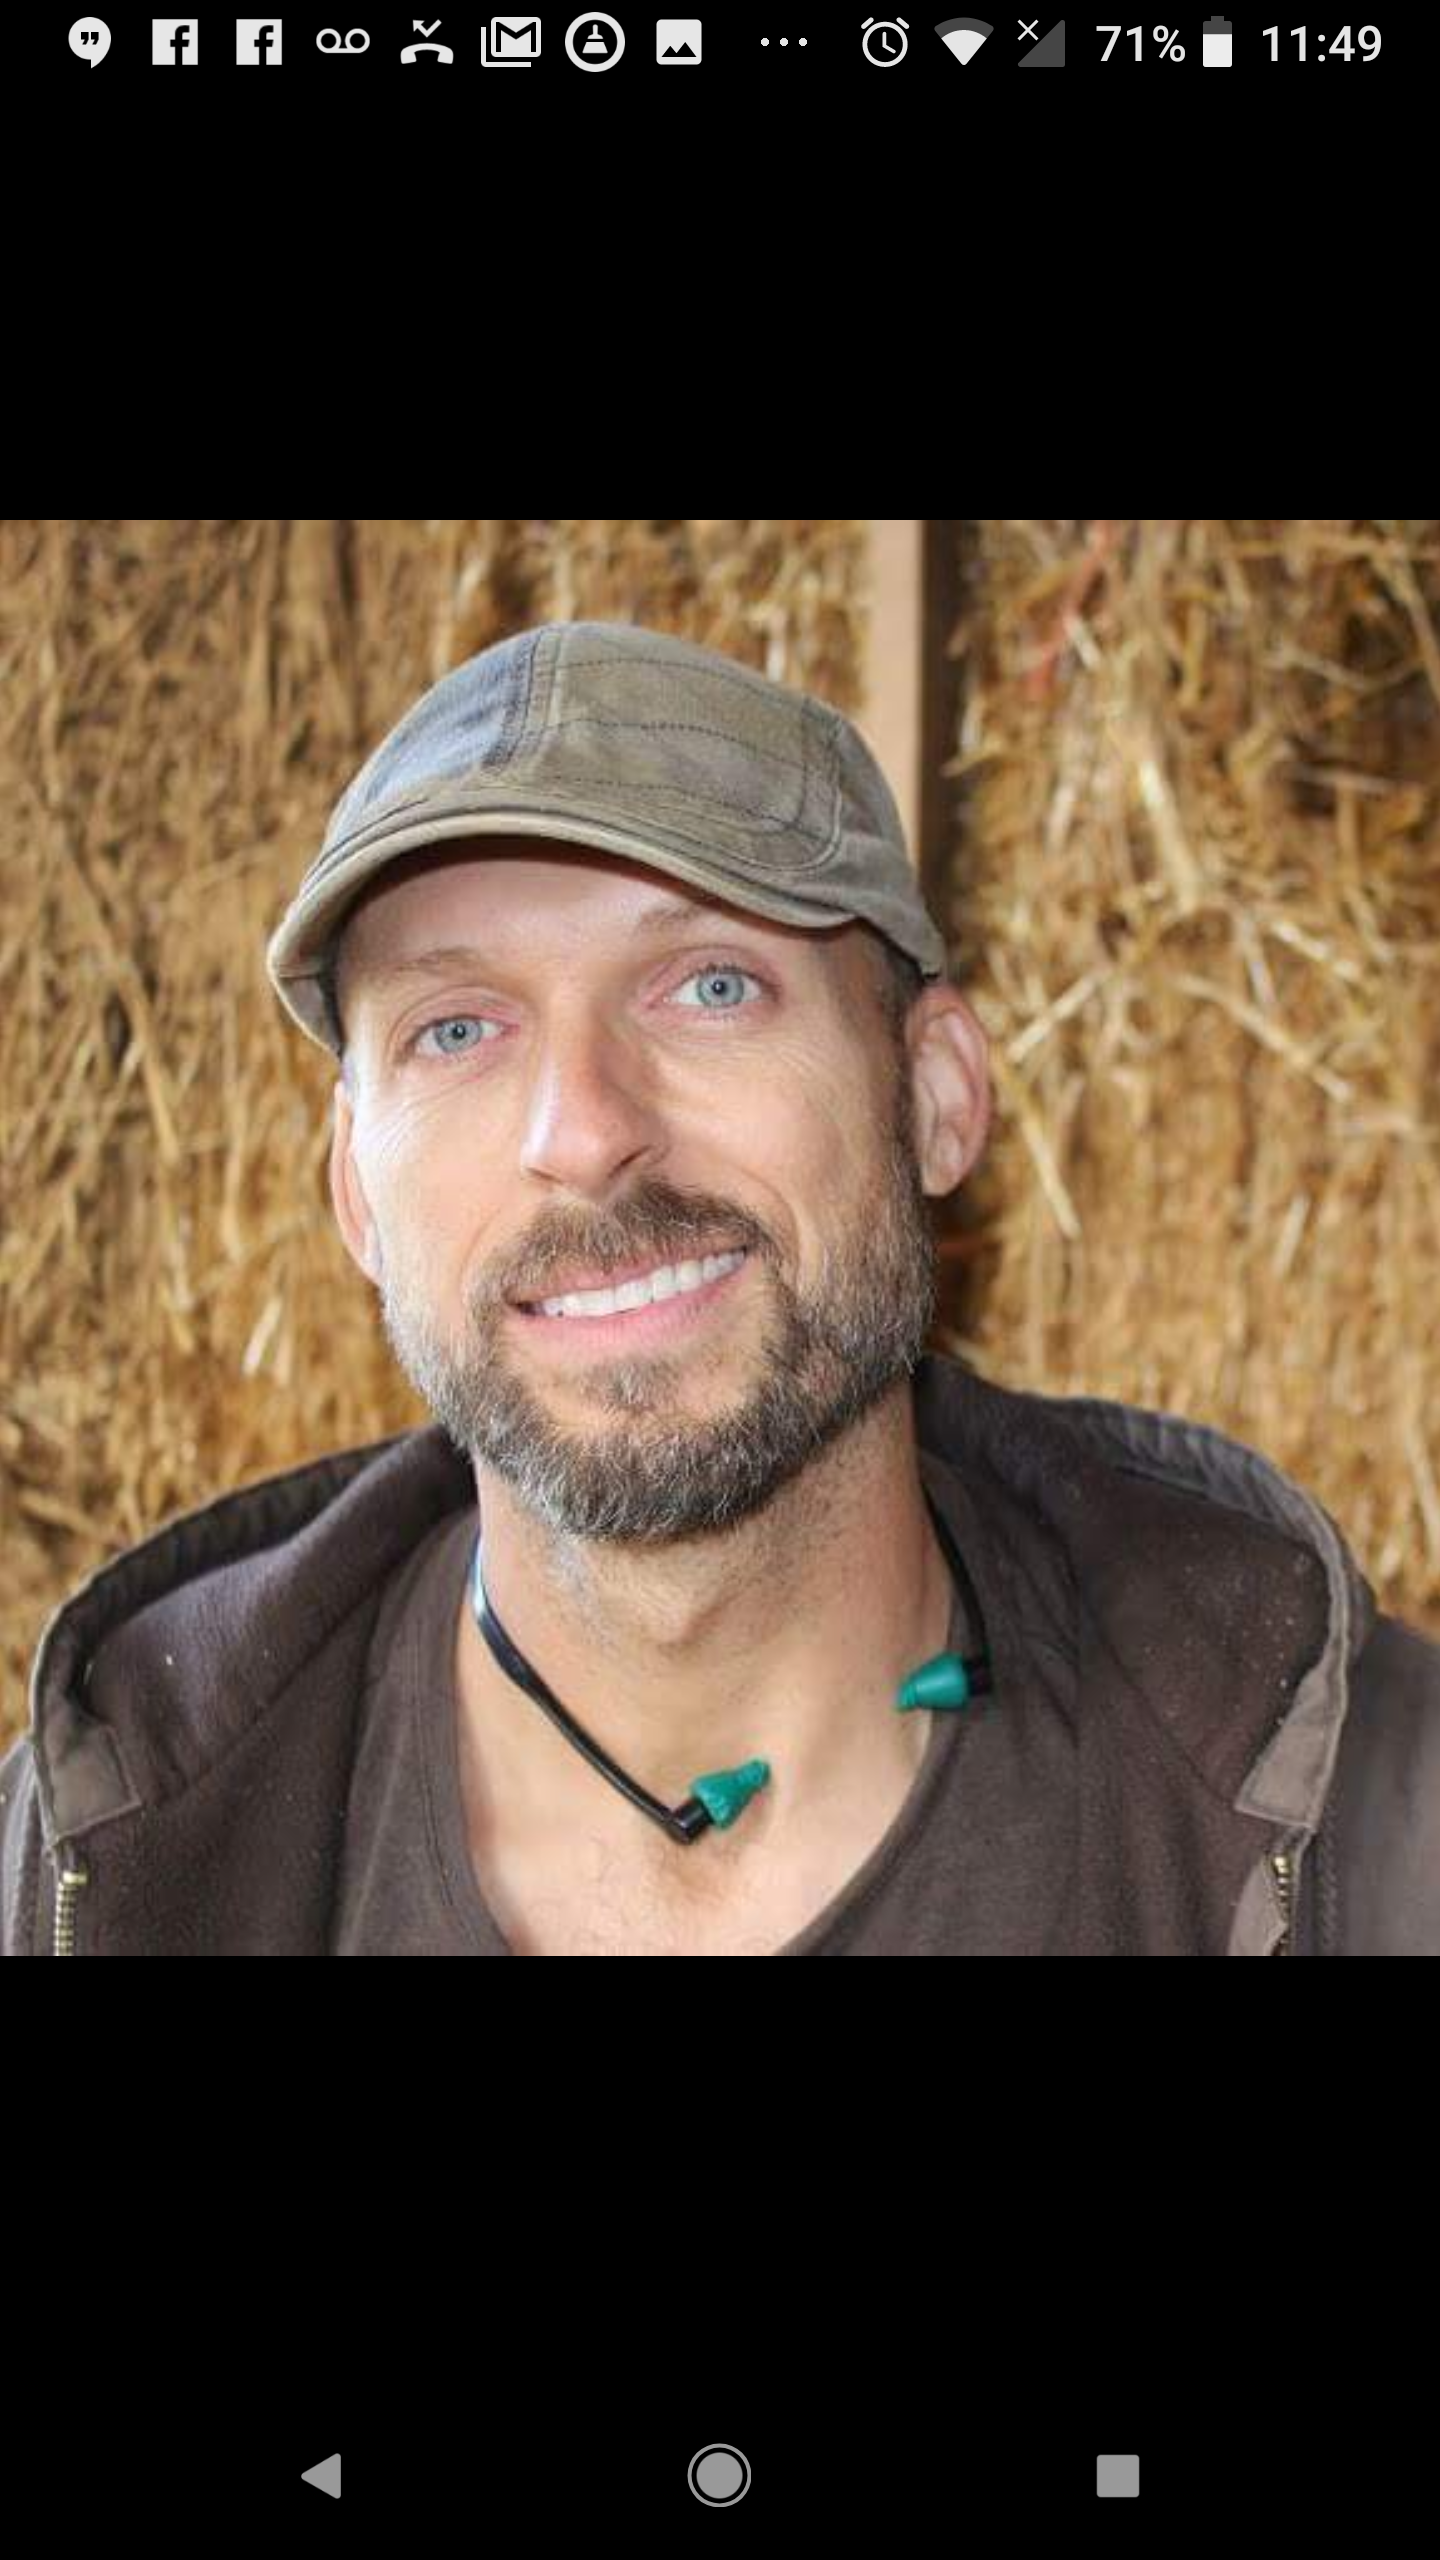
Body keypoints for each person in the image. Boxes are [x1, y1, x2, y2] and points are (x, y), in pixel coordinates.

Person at [4, 621, 1438, 1953]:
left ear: (936, 1097)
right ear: (353, 1195)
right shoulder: (101, 1865)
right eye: (456, 1030)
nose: (582, 1131)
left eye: (710, 987)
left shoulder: (1374, 1829)